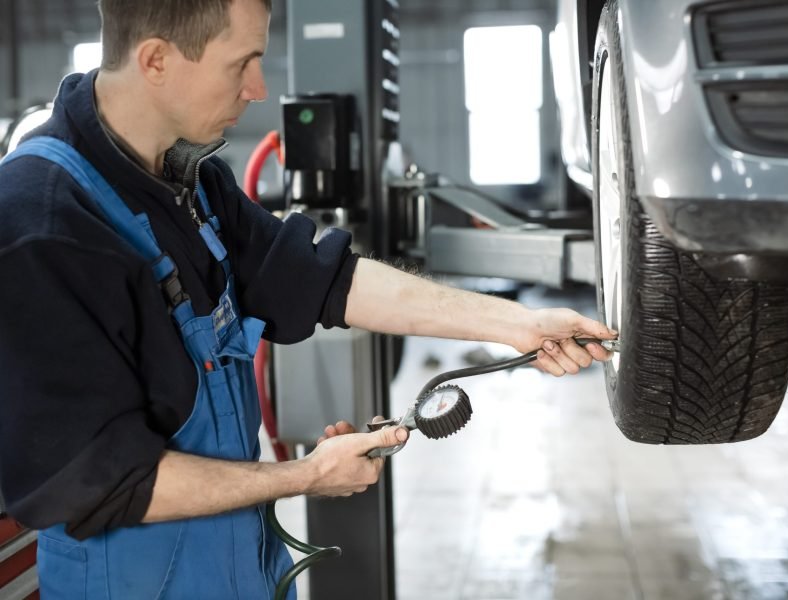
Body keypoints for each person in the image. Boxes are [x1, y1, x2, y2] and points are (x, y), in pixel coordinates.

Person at [0, 0, 617, 597]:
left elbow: (325, 278)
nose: (259, 88)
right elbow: (101, 482)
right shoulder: (43, 224)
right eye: (241, 62)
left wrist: (517, 324)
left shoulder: (190, 181)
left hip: (244, 572)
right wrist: (309, 475)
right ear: (157, 59)